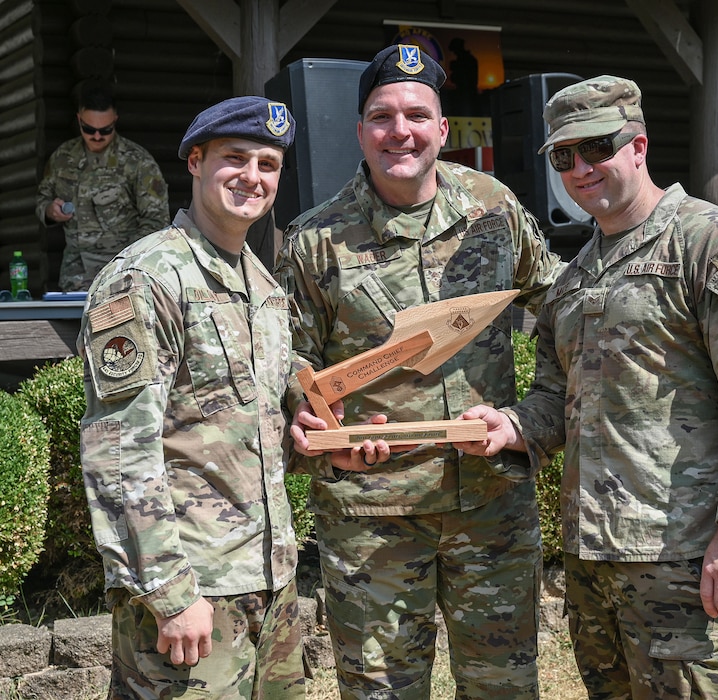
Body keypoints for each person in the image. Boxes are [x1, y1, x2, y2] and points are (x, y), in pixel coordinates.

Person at [455, 75, 718, 699]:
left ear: (639, 146)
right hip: (594, 560)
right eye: (565, 156)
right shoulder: (574, 277)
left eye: (598, 147)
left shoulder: (712, 244)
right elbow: (553, 401)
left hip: (684, 555)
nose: (582, 167)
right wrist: (511, 426)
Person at [274, 44, 564, 700]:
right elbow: (286, 360)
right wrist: (316, 418)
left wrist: (533, 419)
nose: (397, 130)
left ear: (441, 128)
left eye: (414, 114)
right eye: (380, 116)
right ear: (359, 132)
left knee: (503, 689)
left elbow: (563, 310)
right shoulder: (316, 240)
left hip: (489, 507)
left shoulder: (493, 209)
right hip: (373, 516)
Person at [78, 96, 305, 699]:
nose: (253, 177)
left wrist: (309, 415)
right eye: (236, 158)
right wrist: (171, 594)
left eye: (268, 164)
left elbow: (250, 420)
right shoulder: (148, 278)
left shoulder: (262, 285)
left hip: (271, 581)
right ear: (196, 162)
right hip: (194, 589)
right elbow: (120, 452)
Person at [36, 80, 169, 291]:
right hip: (75, 276)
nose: (97, 136)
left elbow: (156, 221)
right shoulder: (62, 158)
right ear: (79, 120)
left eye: (105, 130)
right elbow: (42, 198)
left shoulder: (137, 162)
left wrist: (128, 263)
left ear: (115, 120)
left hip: (123, 276)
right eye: (89, 129)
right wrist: (50, 210)